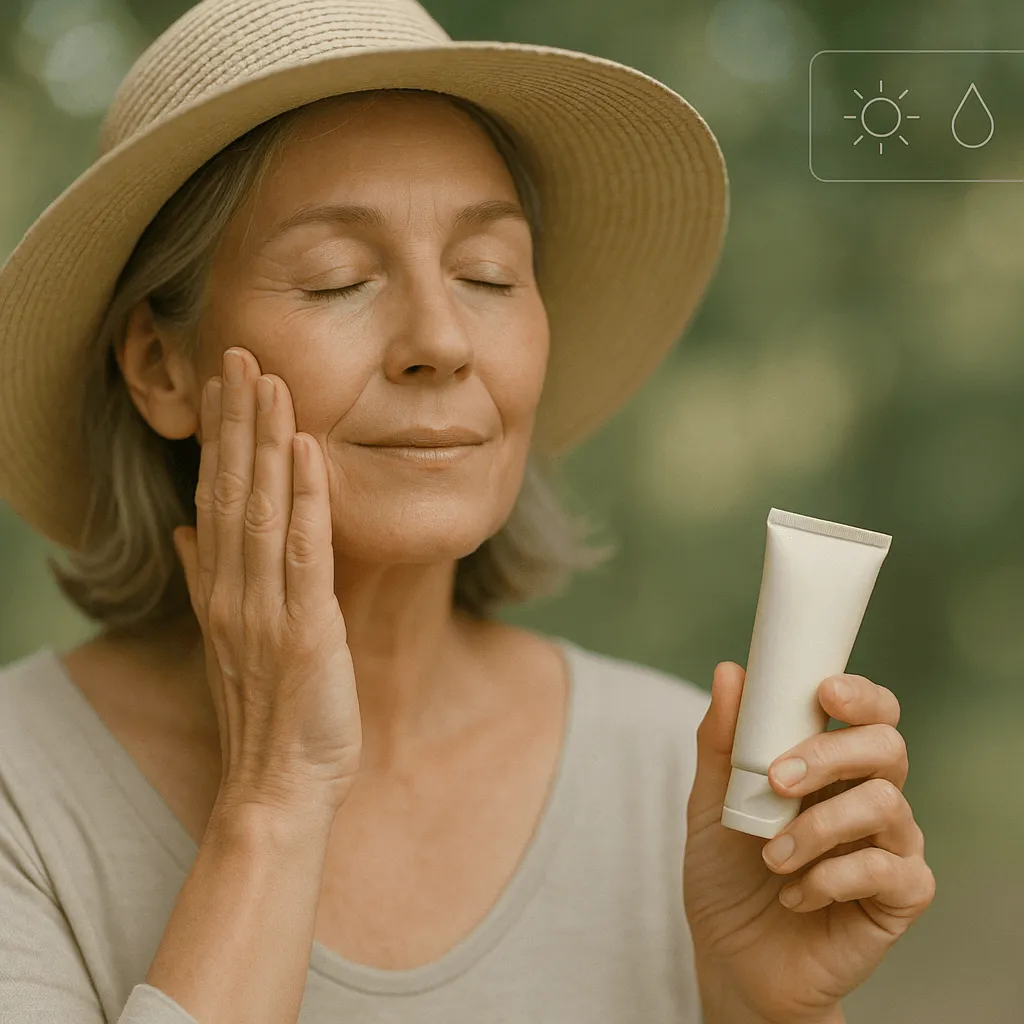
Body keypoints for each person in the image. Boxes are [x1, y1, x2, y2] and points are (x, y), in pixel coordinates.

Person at [0, 1, 935, 1022]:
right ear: (159, 366)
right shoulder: (23, 795)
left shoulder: (685, 781)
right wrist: (273, 800)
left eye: (488, 273)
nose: (441, 338)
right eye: (337, 280)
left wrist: (762, 1007)